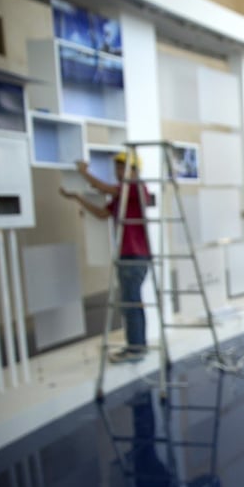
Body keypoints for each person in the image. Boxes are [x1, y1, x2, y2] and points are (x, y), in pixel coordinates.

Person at [60, 152, 151, 362]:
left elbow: (106, 188)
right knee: (131, 302)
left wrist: (84, 173)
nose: (117, 172)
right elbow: (102, 214)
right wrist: (78, 198)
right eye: (117, 168)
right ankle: (138, 346)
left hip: (134, 256)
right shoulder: (121, 195)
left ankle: (136, 349)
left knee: (131, 303)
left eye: (122, 168)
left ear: (134, 171)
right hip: (127, 256)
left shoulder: (136, 187)